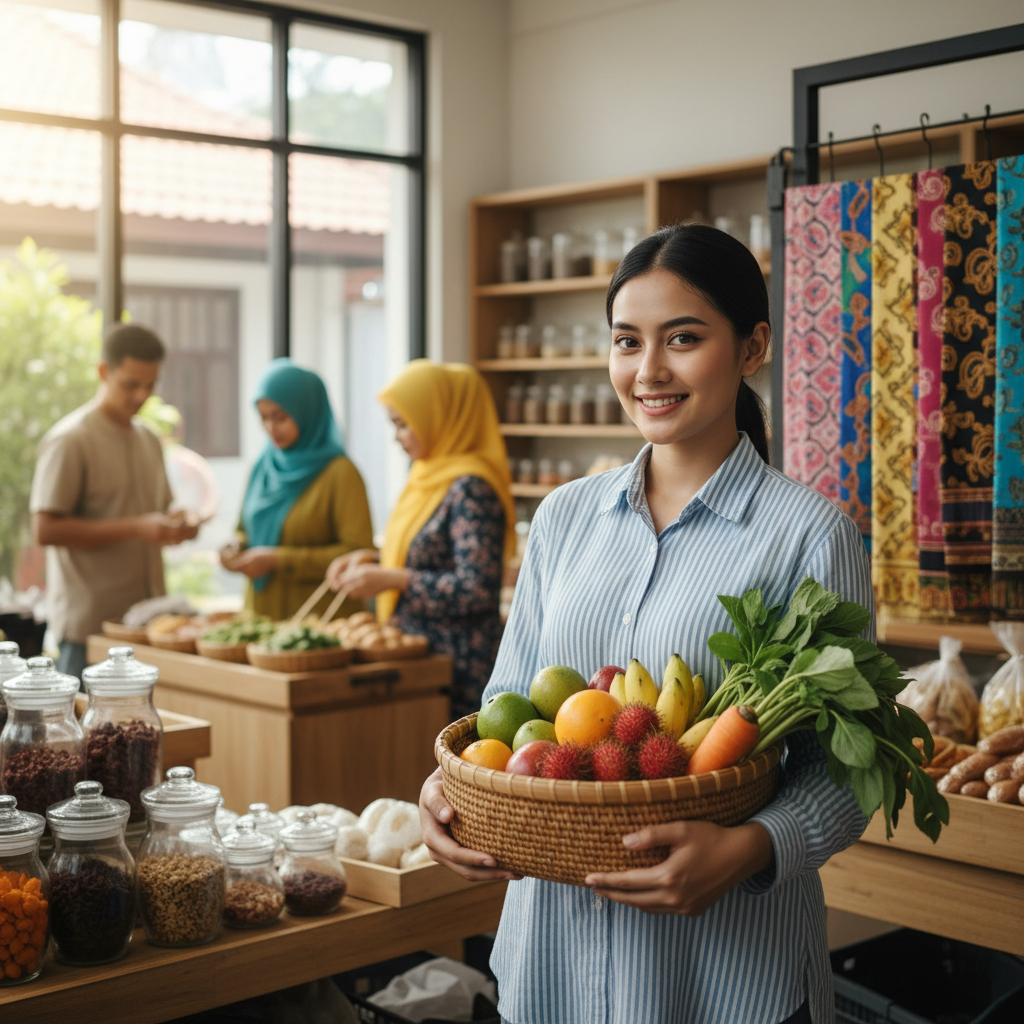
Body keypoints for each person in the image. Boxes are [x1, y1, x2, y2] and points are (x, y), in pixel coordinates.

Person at [419, 225, 874, 1024]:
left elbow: (847, 767)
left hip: (725, 976)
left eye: (684, 338)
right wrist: (449, 793)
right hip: (552, 967)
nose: (649, 371)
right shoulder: (563, 517)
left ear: (752, 347)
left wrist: (751, 848)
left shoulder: (810, 534)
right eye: (627, 342)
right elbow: (504, 705)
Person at [326, 361, 516, 720]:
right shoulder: (427, 475)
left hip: (455, 672)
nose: (397, 436)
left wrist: (394, 578)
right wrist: (373, 559)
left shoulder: (471, 488)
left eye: (403, 424)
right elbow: (429, 553)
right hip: (419, 663)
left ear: (440, 417)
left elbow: (477, 588)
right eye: (393, 424)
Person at [30, 322, 199, 681]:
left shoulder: (149, 440)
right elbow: (44, 529)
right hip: (91, 631)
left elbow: (161, 509)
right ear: (103, 372)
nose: (142, 395)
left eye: (151, 385)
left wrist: (180, 520)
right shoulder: (70, 440)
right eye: (131, 384)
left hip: (150, 625)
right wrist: (136, 527)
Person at [220, 358, 373, 622]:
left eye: (280, 417)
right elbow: (245, 528)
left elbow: (357, 553)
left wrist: (278, 560)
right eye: (264, 417)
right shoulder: (263, 467)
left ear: (307, 412)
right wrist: (236, 546)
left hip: (321, 626)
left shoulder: (340, 473)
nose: (270, 428)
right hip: (262, 618)